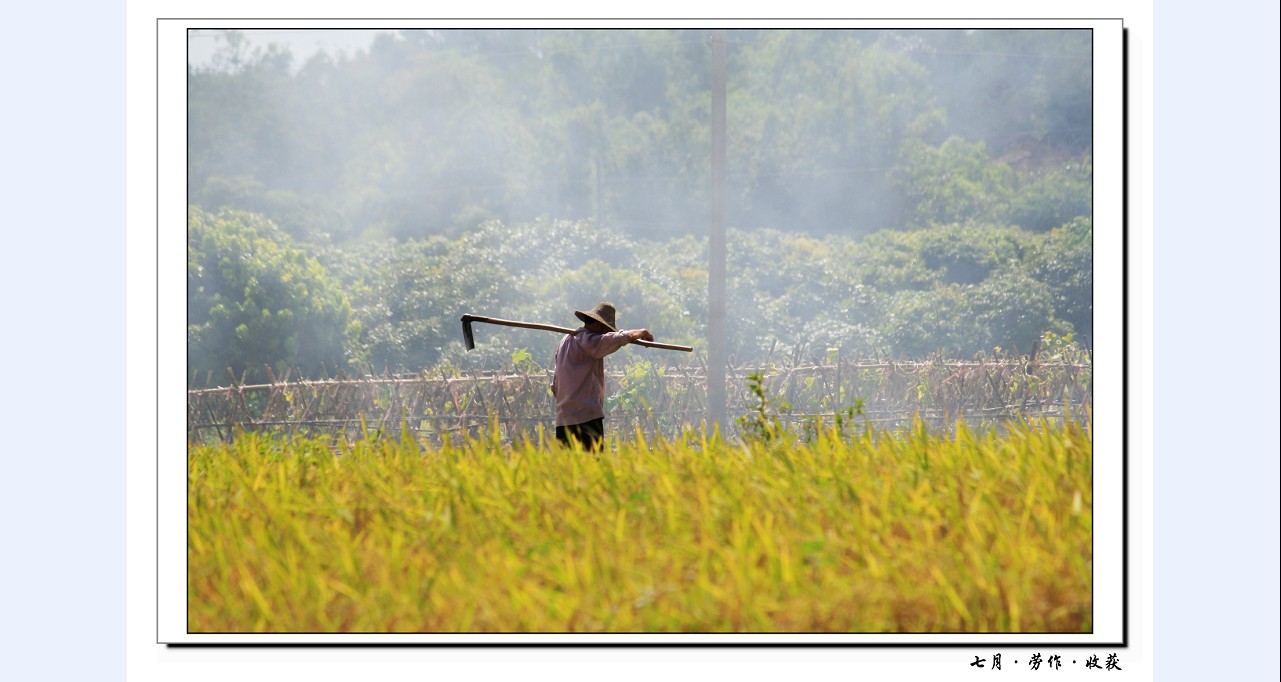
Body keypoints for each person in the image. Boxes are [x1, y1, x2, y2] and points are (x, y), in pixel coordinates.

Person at [551, 302, 654, 450]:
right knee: (593, 462)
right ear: (600, 326)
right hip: (585, 418)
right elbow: (623, 337)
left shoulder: (565, 341)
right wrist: (643, 332)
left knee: (568, 464)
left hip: (563, 418)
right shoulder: (589, 341)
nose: (606, 333)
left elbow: (555, 385)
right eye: (606, 330)